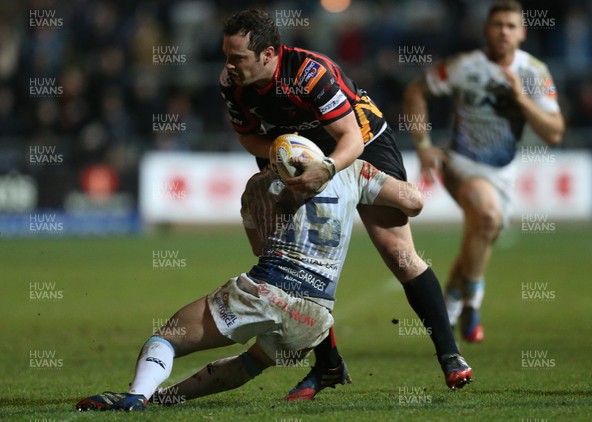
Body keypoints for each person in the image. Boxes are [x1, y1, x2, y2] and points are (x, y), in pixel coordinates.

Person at [219, 9, 472, 400]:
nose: (229, 66)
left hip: (360, 145)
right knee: (296, 266)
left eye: (238, 58)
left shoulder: (309, 74)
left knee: (397, 253)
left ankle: (450, 355)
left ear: (268, 54)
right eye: (227, 56)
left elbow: (350, 137)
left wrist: (327, 168)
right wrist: (286, 155)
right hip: (298, 154)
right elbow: (248, 137)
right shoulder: (232, 83)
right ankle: (329, 365)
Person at [75, 137, 425, 412]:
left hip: (267, 292)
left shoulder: (261, 186)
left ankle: (137, 396)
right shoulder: (354, 172)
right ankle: (164, 400)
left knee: (166, 338)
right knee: (251, 364)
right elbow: (414, 203)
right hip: (316, 316)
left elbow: (259, 248)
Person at [403, 0, 564, 343]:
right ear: (487, 30)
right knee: (488, 219)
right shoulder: (464, 67)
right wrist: (423, 144)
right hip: (459, 163)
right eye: (497, 25)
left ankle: (453, 296)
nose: (503, 31)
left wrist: (521, 100)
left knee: (482, 231)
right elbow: (416, 90)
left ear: (522, 32)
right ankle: (473, 303)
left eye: (510, 25)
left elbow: (555, 132)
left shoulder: (535, 73)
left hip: (502, 171)